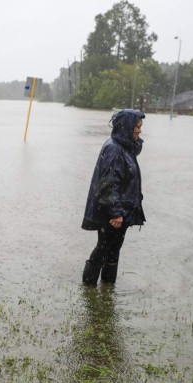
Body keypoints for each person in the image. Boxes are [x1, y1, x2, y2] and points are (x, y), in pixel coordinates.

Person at [81, 109, 146, 285]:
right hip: (111, 211)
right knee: (104, 247)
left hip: (120, 209)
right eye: (137, 126)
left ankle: (107, 289)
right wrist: (116, 213)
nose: (140, 130)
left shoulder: (124, 146)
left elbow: (134, 150)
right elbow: (109, 184)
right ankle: (89, 287)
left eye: (140, 126)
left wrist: (121, 212)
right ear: (127, 127)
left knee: (114, 248)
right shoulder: (114, 149)